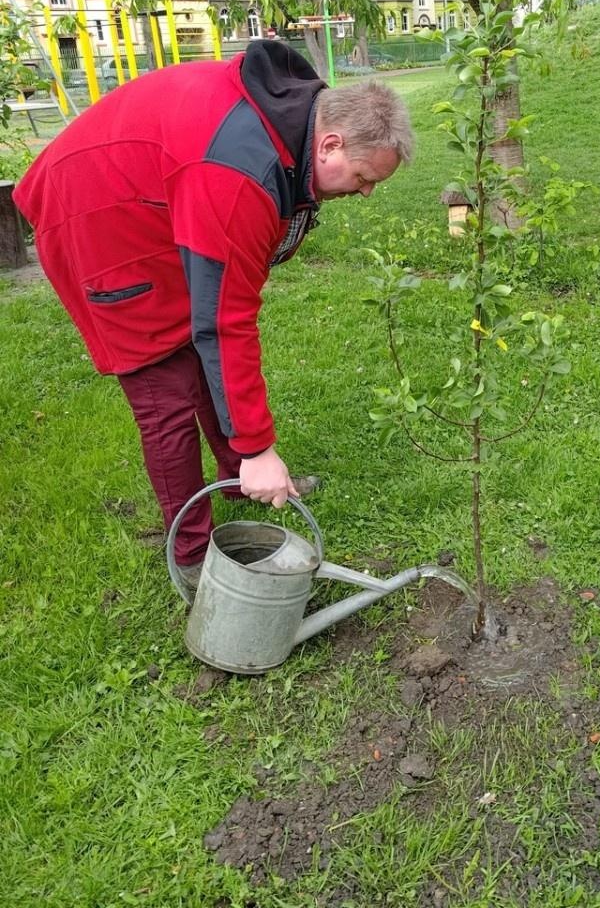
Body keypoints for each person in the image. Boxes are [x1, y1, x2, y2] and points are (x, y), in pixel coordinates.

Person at [14, 40, 413, 598]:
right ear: (330, 143)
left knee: (200, 353)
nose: (367, 193)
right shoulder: (237, 173)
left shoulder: (292, 126)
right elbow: (224, 320)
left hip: (156, 193)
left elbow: (221, 308)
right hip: (95, 214)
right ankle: (195, 556)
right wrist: (258, 446)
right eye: (366, 177)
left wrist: (252, 449)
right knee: (166, 391)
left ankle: (238, 483)